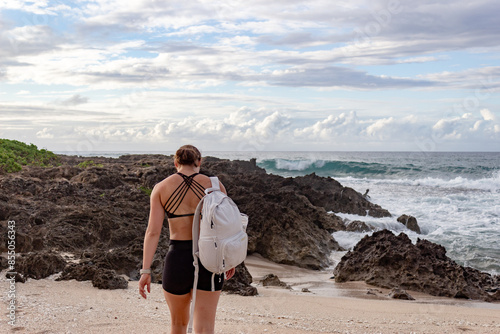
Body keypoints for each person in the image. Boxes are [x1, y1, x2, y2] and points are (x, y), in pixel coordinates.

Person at [138, 144, 235, 334]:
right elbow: (227, 227)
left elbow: (152, 232)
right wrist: (229, 259)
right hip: (210, 260)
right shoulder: (215, 185)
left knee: (178, 325)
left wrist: (145, 270)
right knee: (205, 328)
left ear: (176, 163)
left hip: (177, 260)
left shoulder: (161, 188)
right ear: (199, 161)